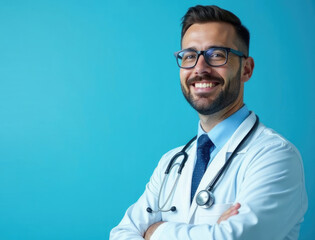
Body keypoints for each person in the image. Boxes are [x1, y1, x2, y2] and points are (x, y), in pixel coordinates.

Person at [110, 5, 308, 240]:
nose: (200, 69)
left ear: (246, 69)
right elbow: (121, 234)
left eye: (216, 54)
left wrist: (154, 231)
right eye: (190, 56)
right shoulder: (171, 163)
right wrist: (213, 231)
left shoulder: (275, 156)